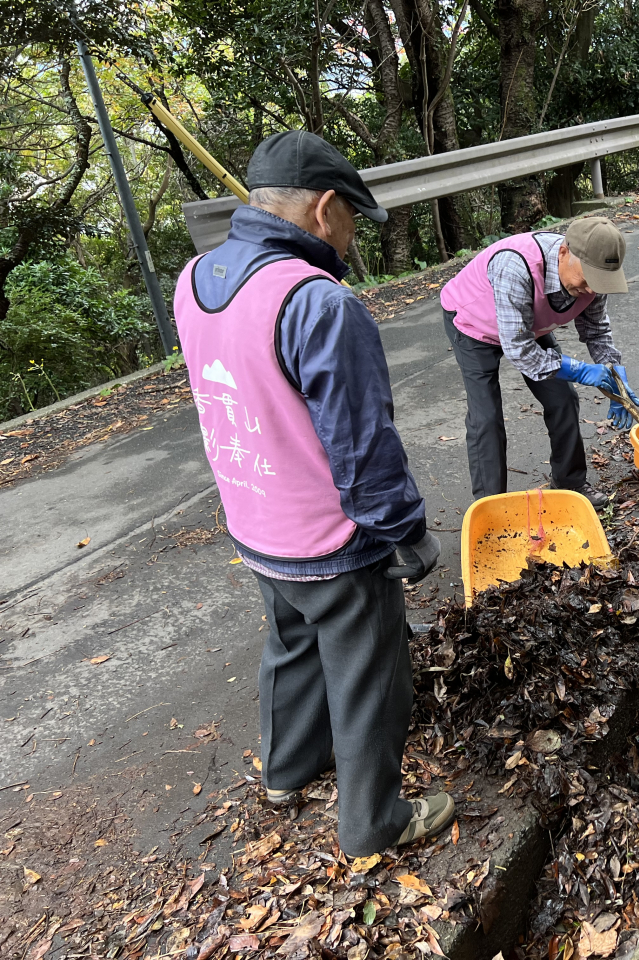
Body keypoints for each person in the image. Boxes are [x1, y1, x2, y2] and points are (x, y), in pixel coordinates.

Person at [172, 130, 454, 858]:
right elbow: (361, 445)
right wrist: (405, 532)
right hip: (329, 538)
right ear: (325, 209)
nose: (354, 235)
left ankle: (287, 770)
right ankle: (373, 824)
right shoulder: (319, 303)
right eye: (354, 219)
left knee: (292, 645)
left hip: (254, 519)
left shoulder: (194, 279)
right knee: (369, 676)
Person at [440, 217, 639, 507]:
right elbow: (519, 350)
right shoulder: (516, 265)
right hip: (473, 323)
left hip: (528, 325)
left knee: (563, 399)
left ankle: (570, 483)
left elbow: (596, 331)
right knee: (486, 417)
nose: (590, 290)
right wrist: (580, 370)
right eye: (587, 279)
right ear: (564, 253)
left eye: (599, 282)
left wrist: (616, 381)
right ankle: (490, 508)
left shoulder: (592, 283)